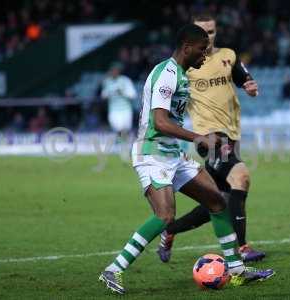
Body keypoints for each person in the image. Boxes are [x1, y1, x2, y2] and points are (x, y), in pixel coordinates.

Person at [98, 24, 275, 295]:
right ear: (187, 47)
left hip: (173, 155)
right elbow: (160, 122)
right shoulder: (166, 74)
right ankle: (113, 269)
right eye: (202, 50)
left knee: (217, 201)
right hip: (152, 154)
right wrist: (199, 138)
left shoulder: (181, 75)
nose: (204, 56)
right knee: (165, 215)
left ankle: (237, 271)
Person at [157, 12, 265, 264]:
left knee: (216, 202)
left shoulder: (228, 55)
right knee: (241, 176)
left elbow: (245, 80)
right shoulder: (189, 65)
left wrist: (251, 86)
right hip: (210, 137)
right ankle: (243, 248)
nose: (208, 37)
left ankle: (169, 230)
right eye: (202, 32)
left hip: (232, 133)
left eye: (212, 32)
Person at [101, 62, 137, 157]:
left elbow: (133, 95)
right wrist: (108, 93)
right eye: (112, 70)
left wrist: (122, 92)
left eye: (115, 70)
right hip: (113, 110)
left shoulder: (125, 81)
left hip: (126, 110)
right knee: (118, 129)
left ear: (118, 71)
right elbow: (103, 95)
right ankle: (123, 147)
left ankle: (125, 148)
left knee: (125, 130)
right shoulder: (107, 82)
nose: (113, 72)